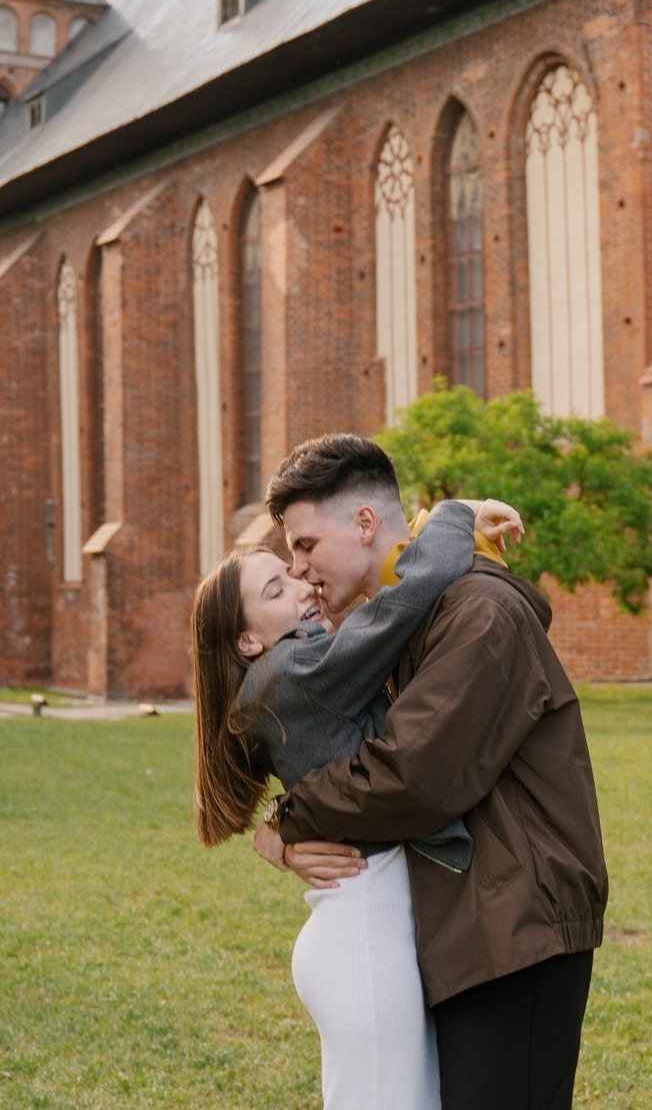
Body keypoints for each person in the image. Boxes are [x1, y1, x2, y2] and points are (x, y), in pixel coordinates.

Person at [255, 432, 608, 1110]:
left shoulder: (477, 611)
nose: (298, 569)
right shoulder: (410, 616)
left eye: (305, 545)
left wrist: (290, 819)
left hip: (517, 928)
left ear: (364, 523)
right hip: (475, 923)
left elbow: (411, 776)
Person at [190, 442, 522, 1110]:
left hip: (371, 918)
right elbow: (402, 604)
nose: (301, 582)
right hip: (366, 928)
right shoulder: (292, 671)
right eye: (276, 589)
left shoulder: (289, 674)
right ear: (248, 640)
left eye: (295, 567)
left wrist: (280, 826)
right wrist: (455, 513)